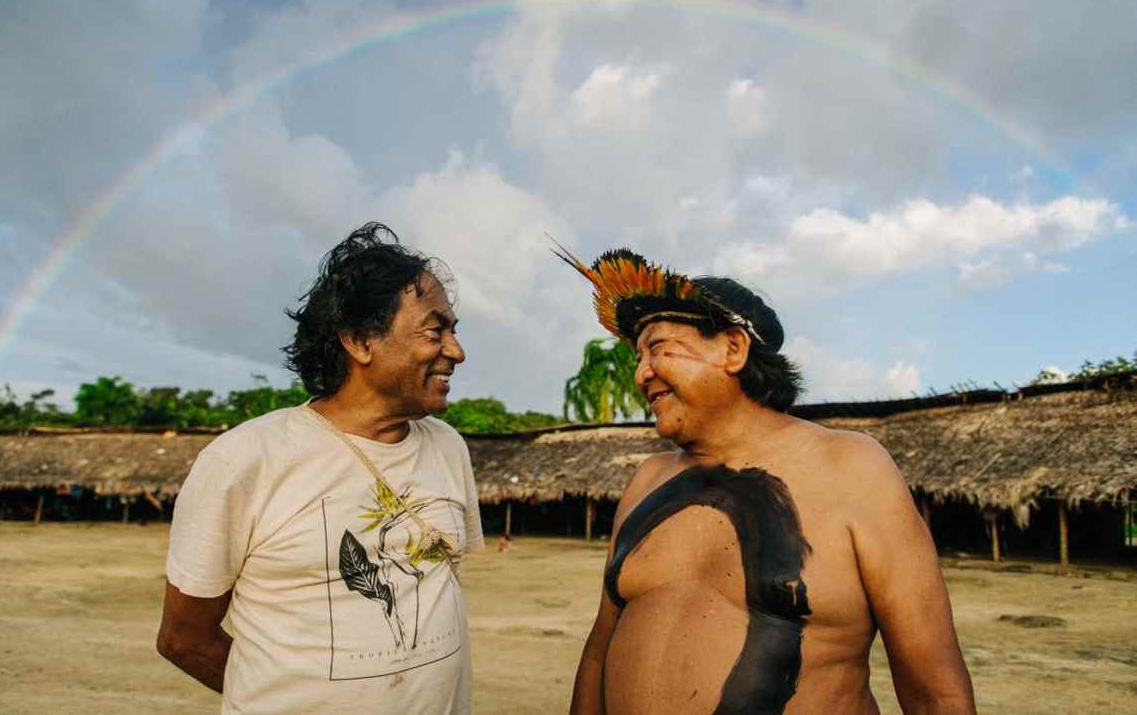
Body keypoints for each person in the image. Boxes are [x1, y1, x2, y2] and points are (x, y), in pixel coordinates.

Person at [556, 245, 975, 715]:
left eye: (657, 348)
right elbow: (598, 652)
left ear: (733, 349)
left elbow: (936, 693)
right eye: (638, 356)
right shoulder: (647, 480)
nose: (641, 374)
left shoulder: (852, 468)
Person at [157, 223, 484, 714]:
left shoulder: (448, 448)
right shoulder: (245, 461)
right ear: (358, 341)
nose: (456, 351)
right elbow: (183, 638)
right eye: (435, 331)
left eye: (454, 331)